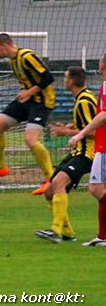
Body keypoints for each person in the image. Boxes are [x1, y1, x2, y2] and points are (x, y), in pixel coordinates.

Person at [0, 33, 56, 195]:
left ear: (4, 45)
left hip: (41, 102)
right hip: (27, 100)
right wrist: (24, 91)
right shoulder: (13, 61)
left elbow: (48, 77)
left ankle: (50, 179)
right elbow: (27, 81)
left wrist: (29, 92)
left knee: (30, 140)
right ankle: (0, 168)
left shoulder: (27, 56)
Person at [35, 66, 96, 243]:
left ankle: (55, 230)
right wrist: (70, 126)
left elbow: (97, 131)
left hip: (88, 154)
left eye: (65, 77)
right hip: (78, 151)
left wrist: (66, 133)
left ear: (71, 80)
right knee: (49, 191)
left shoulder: (84, 100)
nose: (64, 80)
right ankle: (67, 233)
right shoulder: (83, 98)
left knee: (58, 182)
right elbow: (87, 124)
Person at [69, 53, 106, 247]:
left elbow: (104, 115)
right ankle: (102, 236)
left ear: (101, 67)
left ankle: (103, 236)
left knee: (96, 189)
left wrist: (80, 134)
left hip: (103, 145)